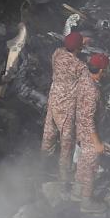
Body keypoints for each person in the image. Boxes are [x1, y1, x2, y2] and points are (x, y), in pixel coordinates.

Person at [42, 32, 90, 184]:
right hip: (67, 108)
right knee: (66, 144)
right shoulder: (80, 66)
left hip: (53, 101)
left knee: (48, 135)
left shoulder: (57, 53)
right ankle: (64, 176)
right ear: (79, 47)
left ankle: (42, 166)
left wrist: (80, 45)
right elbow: (89, 81)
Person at [73, 53, 109, 210]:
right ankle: (86, 203)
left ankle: (76, 193)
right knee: (90, 167)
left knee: (82, 162)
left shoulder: (84, 78)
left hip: (79, 128)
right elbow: (89, 120)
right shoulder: (93, 91)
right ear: (101, 70)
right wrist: (97, 143)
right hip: (89, 134)